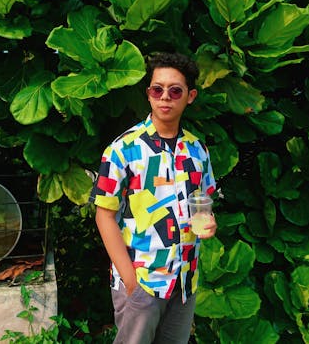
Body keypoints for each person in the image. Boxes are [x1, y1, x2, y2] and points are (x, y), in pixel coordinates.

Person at [89, 51, 217, 344]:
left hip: (185, 282)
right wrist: (131, 281)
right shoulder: (122, 149)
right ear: (148, 94)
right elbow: (104, 214)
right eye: (157, 89)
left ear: (190, 96)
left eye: (175, 91)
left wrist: (210, 224)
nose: (165, 97)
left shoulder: (198, 152)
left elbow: (205, 205)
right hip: (142, 282)